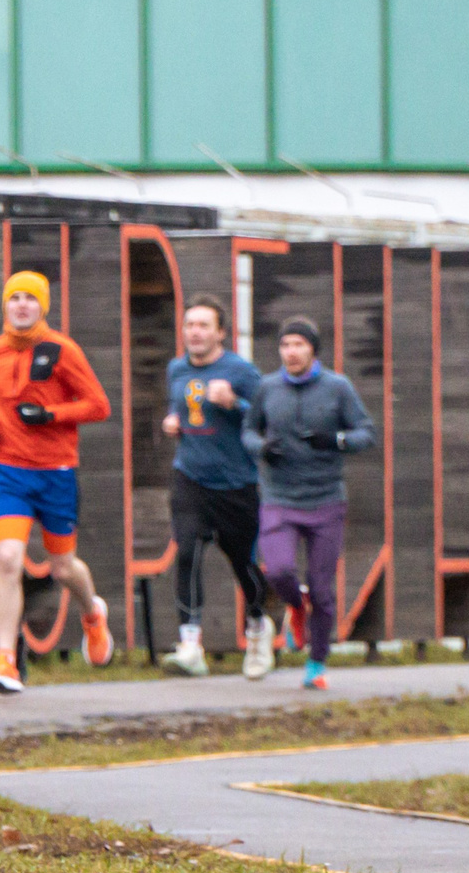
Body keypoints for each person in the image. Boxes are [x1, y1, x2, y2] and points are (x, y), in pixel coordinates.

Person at [0, 272, 115, 694]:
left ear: (43, 306)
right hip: (8, 473)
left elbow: (99, 406)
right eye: (13, 298)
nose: (21, 306)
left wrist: (52, 415)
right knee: (8, 559)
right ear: (4, 305)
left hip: (55, 474)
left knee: (62, 567)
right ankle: (5, 660)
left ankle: (92, 613)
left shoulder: (62, 350)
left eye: (29, 300)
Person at [241, 316, 376, 691]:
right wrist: (261, 448)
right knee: (279, 570)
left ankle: (316, 663)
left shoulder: (338, 388)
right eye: (285, 345)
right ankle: (295, 609)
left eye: (299, 344)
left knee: (322, 588)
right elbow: (248, 430)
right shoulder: (268, 388)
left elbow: (367, 433)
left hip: (325, 500)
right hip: (279, 497)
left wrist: (335, 441)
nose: (291, 351)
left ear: (312, 349)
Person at [159, 295, 267, 678]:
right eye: (190, 324)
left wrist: (235, 403)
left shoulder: (240, 371)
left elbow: (267, 417)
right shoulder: (177, 369)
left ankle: (257, 628)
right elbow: (183, 405)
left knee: (244, 565)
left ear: (221, 333)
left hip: (236, 485)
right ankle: (190, 645)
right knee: (186, 552)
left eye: (204, 325)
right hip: (190, 477)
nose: (195, 332)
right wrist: (173, 419)